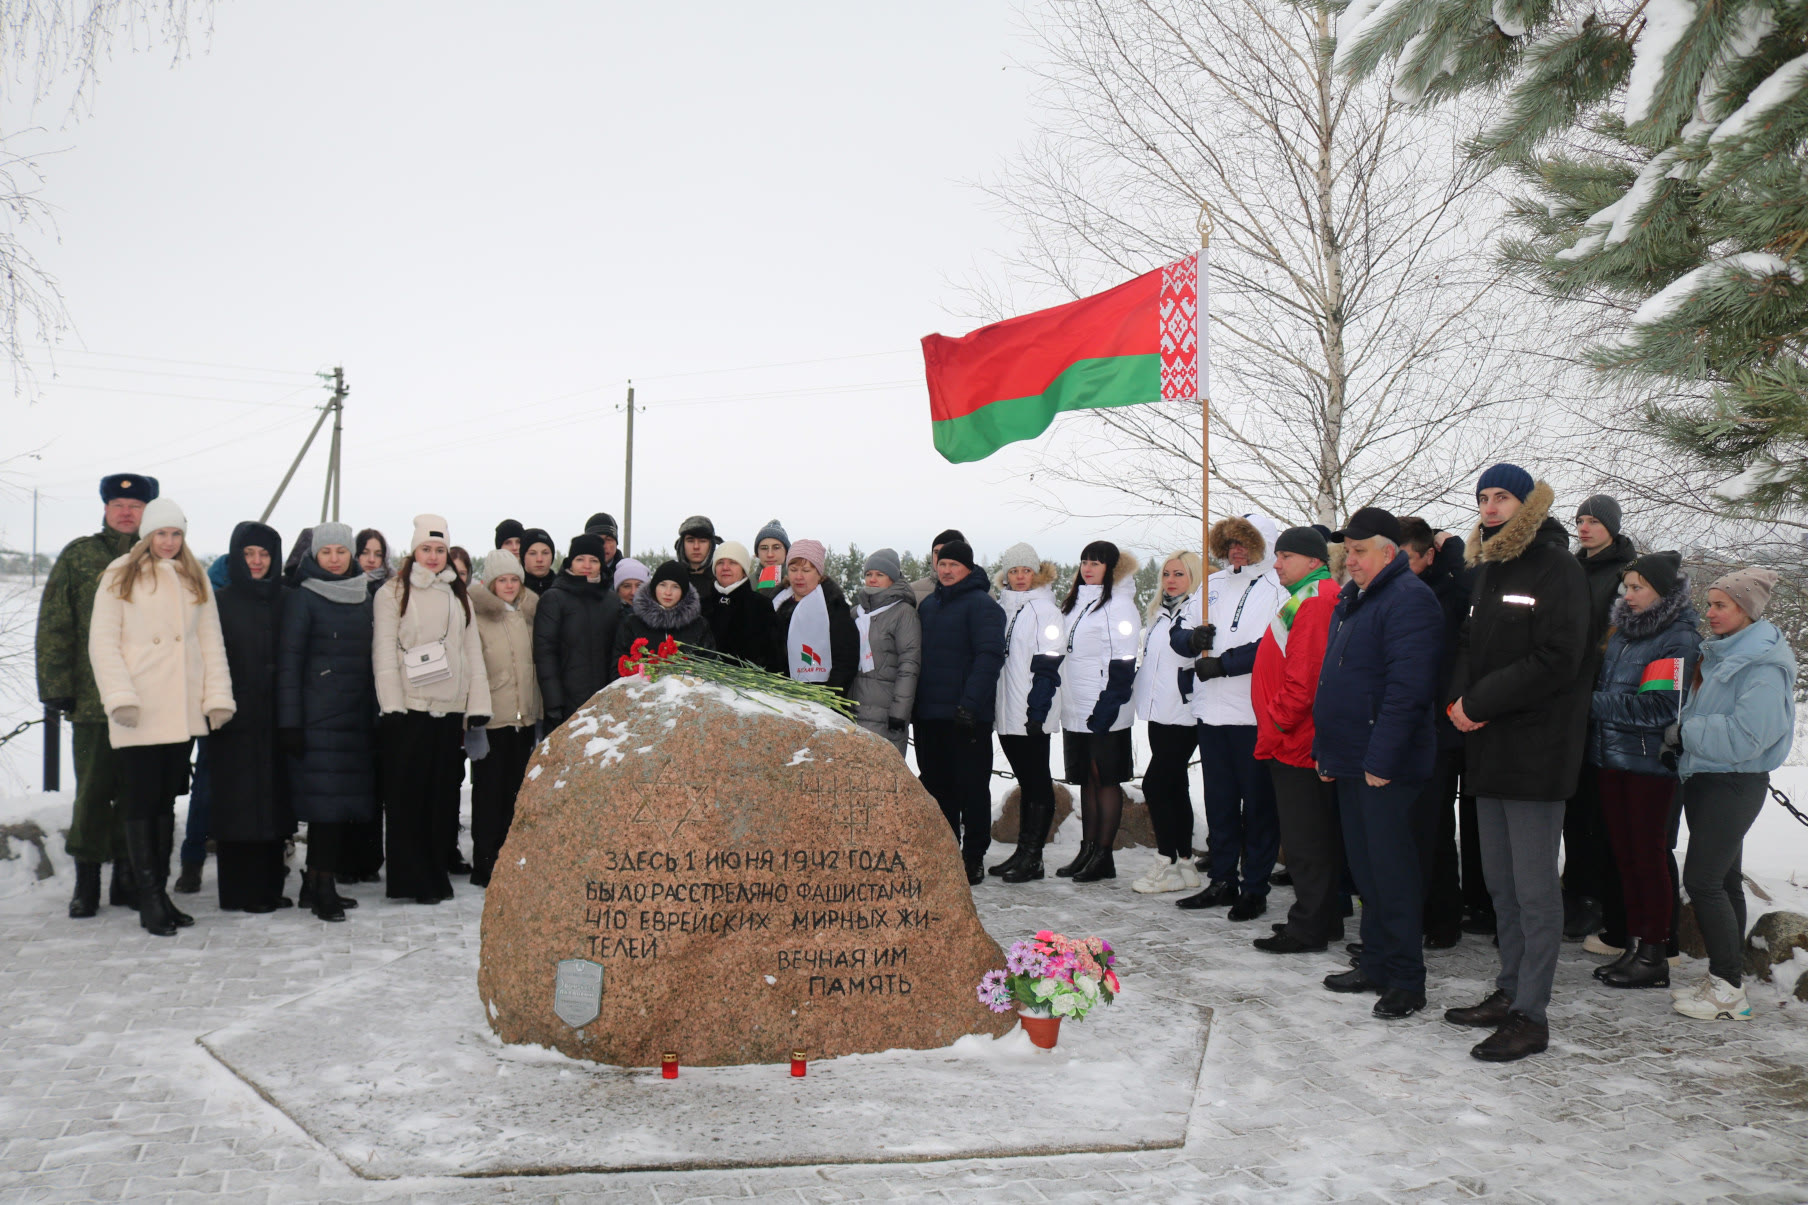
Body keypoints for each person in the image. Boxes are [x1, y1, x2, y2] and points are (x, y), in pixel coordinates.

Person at [1444, 464, 1591, 1062]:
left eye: (1502, 496)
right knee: (1500, 885)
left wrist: (1478, 702)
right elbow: (1467, 646)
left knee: (1533, 891)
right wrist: (1457, 703)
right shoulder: (1489, 569)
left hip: (1535, 751)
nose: (1490, 506)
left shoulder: (1559, 567)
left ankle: (1532, 1016)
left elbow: (1560, 656)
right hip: (1487, 747)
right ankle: (1509, 991)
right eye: (1482, 497)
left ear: (1527, 503)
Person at [1311, 509, 1443, 1020]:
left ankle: (1407, 978)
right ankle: (1377, 962)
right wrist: (1327, 749)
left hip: (1386, 764)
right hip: (1351, 758)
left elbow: (1408, 692)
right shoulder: (1355, 599)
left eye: (1360, 550)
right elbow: (1335, 683)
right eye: (1347, 550)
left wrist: (1380, 758)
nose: (1351, 559)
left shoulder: (1410, 601)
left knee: (1393, 874)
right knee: (1366, 870)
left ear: (1389, 552)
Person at [87, 498, 234, 935]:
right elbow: (103, 644)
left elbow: (211, 644)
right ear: (146, 536)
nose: (168, 542)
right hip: (140, 709)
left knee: (166, 801)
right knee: (139, 800)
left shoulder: (196, 578)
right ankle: (148, 896)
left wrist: (217, 698)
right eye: (161, 534)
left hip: (181, 710)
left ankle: (161, 892)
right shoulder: (120, 574)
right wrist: (120, 697)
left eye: (176, 535)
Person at [1671, 567, 1795, 1021]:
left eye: (1721, 605)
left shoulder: (1761, 664)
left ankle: (1728, 992)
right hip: (1709, 777)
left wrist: (1686, 729)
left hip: (1735, 780)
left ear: (1747, 609)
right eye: (1710, 603)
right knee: (1722, 879)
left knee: (1702, 880)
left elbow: (1751, 736)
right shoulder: (1724, 654)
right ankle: (1727, 978)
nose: (1711, 613)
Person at [38, 472, 156, 919]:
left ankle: (127, 879)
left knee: (135, 793)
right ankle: (87, 882)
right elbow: (55, 622)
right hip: (91, 700)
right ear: (106, 509)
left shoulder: (160, 558)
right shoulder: (80, 555)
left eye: (136, 506)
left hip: (147, 702)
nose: (126, 513)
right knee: (92, 793)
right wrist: (56, 687)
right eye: (118, 505)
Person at [1585, 551, 1700, 990]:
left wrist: (1586, 705)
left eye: (1638, 587)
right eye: (1626, 587)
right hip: (1612, 758)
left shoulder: (1677, 638)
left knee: (1647, 857)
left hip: (1650, 764)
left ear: (1664, 592)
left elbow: (1658, 707)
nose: (1628, 595)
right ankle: (1635, 945)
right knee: (1625, 857)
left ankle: (1654, 953)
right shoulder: (1626, 633)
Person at [373, 515, 491, 905]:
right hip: (409, 709)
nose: (433, 556)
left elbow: (471, 651)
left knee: (440, 798)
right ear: (414, 551)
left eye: (440, 550)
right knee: (407, 798)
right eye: (427, 549)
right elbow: (384, 652)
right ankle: (409, 879)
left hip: (450, 709)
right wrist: (391, 704)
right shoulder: (392, 592)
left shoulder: (459, 595)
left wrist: (477, 706)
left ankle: (434, 874)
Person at [1173, 514, 1285, 920]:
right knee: (1219, 802)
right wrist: (1190, 640)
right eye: (1231, 542)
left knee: (1257, 806)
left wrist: (1223, 665)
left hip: (1253, 712)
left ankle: (1255, 886)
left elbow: (1272, 644)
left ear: (1265, 544)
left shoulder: (1277, 588)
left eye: (1247, 542)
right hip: (1211, 711)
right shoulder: (1213, 585)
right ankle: (1222, 879)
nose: (1238, 549)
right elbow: (1179, 631)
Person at [278, 523, 380, 921]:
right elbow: (289, 665)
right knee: (323, 812)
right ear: (314, 557)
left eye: (341, 551)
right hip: (318, 719)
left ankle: (317, 883)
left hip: (354, 718)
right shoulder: (304, 598)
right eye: (327, 552)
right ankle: (321, 888)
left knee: (337, 811)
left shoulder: (363, 594)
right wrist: (290, 723)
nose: (335, 558)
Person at [1249, 527, 1343, 955]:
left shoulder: (1316, 600)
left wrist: (1276, 723)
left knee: (1306, 841)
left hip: (1297, 740)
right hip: (1292, 736)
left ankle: (1310, 927)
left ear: (1310, 559)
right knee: (1310, 837)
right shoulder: (1309, 594)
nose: (1277, 564)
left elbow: (1304, 679)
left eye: (1284, 555)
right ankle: (1324, 918)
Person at [1564, 493, 1639, 946]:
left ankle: (1593, 900)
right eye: (1580, 520)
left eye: (1594, 521)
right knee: (1574, 805)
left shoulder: (1625, 573)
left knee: (1598, 808)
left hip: (1603, 698)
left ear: (1612, 525)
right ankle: (1575, 894)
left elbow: (1620, 637)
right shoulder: (1573, 567)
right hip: (1571, 698)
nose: (1585, 527)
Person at [209, 521, 294, 913]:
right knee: (238, 804)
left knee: (274, 803)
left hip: (277, 715)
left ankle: (270, 887)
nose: (257, 562)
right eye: (249, 554)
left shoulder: (286, 599)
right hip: (235, 718)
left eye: (264, 554)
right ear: (236, 557)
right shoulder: (220, 602)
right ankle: (238, 892)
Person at [1400, 516, 1476, 947]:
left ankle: (1442, 919)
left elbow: (1466, 591)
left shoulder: (1444, 590)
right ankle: (1417, 916)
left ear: (1429, 556)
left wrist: (1451, 553)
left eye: (1408, 558)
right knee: (1410, 829)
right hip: (1408, 727)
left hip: (1437, 729)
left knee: (1431, 830)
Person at [912, 539, 1006, 884]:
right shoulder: (929, 606)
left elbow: (989, 657)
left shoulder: (984, 607)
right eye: (942, 564)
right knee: (938, 787)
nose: (947, 570)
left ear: (968, 568)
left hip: (966, 717)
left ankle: (974, 856)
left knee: (972, 788)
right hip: (929, 715)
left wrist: (971, 704)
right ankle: (947, 849)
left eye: (954, 565)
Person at [1057, 541, 1141, 884]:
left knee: (1105, 778)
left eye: (1096, 562)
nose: (1088, 568)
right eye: (1084, 562)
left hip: (1106, 705)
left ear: (1111, 568)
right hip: (1076, 705)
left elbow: (1124, 658)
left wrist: (1108, 705)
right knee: (1087, 781)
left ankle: (1104, 854)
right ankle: (1088, 847)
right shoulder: (1075, 603)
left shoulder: (1119, 605)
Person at [988, 543, 1065, 883]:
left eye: (1026, 571)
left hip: (1031, 710)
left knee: (1037, 782)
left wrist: (1038, 710)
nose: (1020, 577)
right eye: (1014, 571)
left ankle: (1034, 857)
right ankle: (1022, 851)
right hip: (1006, 709)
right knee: (1026, 782)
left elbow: (1049, 662)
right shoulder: (1003, 608)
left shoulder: (1045, 610)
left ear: (1037, 574)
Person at [1131, 550, 1205, 895]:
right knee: (1175, 787)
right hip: (1159, 710)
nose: (1171, 580)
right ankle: (1184, 861)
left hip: (1183, 711)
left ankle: (1166, 861)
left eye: (1179, 574)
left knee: (1156, 785)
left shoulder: (1197, 611)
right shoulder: (1159, 614)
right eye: (1167, 574)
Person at [467, 549, 541, 888]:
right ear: (491, 583)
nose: (509, 586)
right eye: (502, 580)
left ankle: (511, 861)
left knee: (515, 793)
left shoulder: (529, 614)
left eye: (514, 579)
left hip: (523, 718)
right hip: (493, 718)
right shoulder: (478, 617)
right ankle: (484, 862)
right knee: (488, 795)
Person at [533, 532, 622, 730]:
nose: (587, 566)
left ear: (601, 564)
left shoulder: (612, 601)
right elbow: (545, 653)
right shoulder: (554, 599)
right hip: (566, 704)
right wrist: (554, 702)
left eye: (593, 560)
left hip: (604, 703)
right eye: (580, 559)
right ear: (570, 563)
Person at [850, 548, 922, 756]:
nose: (873, 579)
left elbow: (909, 665)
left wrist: (900, 712)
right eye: (869, 574)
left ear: (892, 578)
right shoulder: (856, 613)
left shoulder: (903, 613)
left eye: (880, 575)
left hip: (887, 714)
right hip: (854, 710)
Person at [769, 539, 859, 693]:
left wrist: (830, 697)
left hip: (818, 698)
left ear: (819, 574)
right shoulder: (776, 602)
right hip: (777, 694)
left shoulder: (833, 607)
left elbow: (845, 660)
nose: (798, 577)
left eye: (806, 570)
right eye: (793, 569)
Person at [614, 560, 717, 659]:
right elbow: (619, 665)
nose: (668, 592)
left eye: (675, 587)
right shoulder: (632, 623)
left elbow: (710, 663)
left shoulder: (699, 625)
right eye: (662, 585)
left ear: (683, 591)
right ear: (654, 588)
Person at [705, 541, 772, 663]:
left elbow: (774, 657)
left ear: (744, 570)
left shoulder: (761, 606)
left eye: (733, 562)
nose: (725, 567)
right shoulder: (702, 605)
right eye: (720, 562)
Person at [673, 515, 721, 599]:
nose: (696, 546)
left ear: (711, 544)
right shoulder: (671, 577)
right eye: (690, 541)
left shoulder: (722, 579)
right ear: (681, 544)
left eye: (702, 541)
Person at [911, 528, 964, 604]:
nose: (940, 557)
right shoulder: (912, 591)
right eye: (936, 552)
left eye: (948, 551)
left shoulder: (982, 593)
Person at [753, 519, 790, 599]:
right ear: (757, 553)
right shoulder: (746, 584)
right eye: (764, 548)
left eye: (776, 547)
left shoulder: (798, 583)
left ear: (786, 552)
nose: (770, 554)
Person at [585, 513, 624, 583]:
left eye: (608, 539)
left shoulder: (629, 576)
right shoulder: (569, 578)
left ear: (616, 543)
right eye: (597, 540)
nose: (603, 546)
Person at [519, 528, 558, 596]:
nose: (539, 559)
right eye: (532, 553)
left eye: (545, 553)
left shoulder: (564, 587)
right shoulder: (512, 589)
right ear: (523, 556)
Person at [356, 528, 392, 596]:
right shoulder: (343, 584)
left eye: (378, 555)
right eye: (365, 553)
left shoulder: (393, 589)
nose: (371, 560)